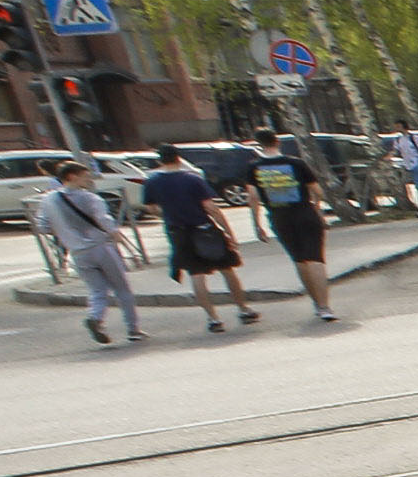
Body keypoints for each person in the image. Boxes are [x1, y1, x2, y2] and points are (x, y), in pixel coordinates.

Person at [140, 142, 258, 330]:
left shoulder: (152, 182)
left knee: (196, 274)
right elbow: (211, 207)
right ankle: (243, 309)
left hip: (177, 232)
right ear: (178, 158)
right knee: (227, 269)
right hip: (204, 229)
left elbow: (150, 207)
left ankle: (213, 319)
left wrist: (168, 214)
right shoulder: (192, 179)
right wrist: (228, 232)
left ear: (159, 160)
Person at [36, 158, 142, 344]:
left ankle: (95, 318)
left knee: (97, 290)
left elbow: (43, 227)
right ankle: (133, 329)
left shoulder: (48, 199)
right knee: (122, 289)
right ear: (71, 177)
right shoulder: (90, 198)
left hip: (78, 252)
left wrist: (64, 233)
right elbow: (105, 222)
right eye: (85, 176)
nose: (89, 179)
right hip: (102, 247)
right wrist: (128, 248)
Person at [250, 135, 342, 321]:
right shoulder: (296, 163)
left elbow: (252, 197)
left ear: (259, 145)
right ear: (277, 142)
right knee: (316, 259)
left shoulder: (254, 168)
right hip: (305, 213)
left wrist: (257, 224)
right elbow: (317, 191)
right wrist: (317, 208)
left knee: (299, 260)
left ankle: (316, 303)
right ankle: (325, 307)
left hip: (279, 216)